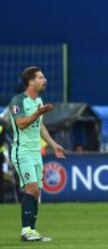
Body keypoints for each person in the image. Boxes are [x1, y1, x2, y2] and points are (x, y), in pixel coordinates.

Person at [9, 66, 65, 241]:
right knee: (31, 189)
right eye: (40, 77)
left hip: (35, 153)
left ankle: (32, 231)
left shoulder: (38, 101)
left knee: (37, 192)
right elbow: (21, 124)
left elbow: (40, 126)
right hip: (22, 152)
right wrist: (38, 112)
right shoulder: (17, 101)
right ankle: (26, 231)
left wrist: (54, 145)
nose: (44, 80)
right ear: (30, 81)